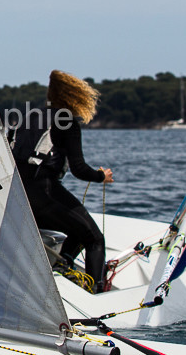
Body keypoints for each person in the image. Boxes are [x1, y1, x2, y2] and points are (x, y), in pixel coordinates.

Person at [12, 70, 114, 292]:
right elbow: (79, 169)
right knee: (95, 239)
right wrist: (101, 176)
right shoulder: (67, 120)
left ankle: (63, 265)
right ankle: (94, 292)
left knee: (78, 227)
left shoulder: (30, 116)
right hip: (44, 191)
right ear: (75, 96)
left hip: (19, 195)